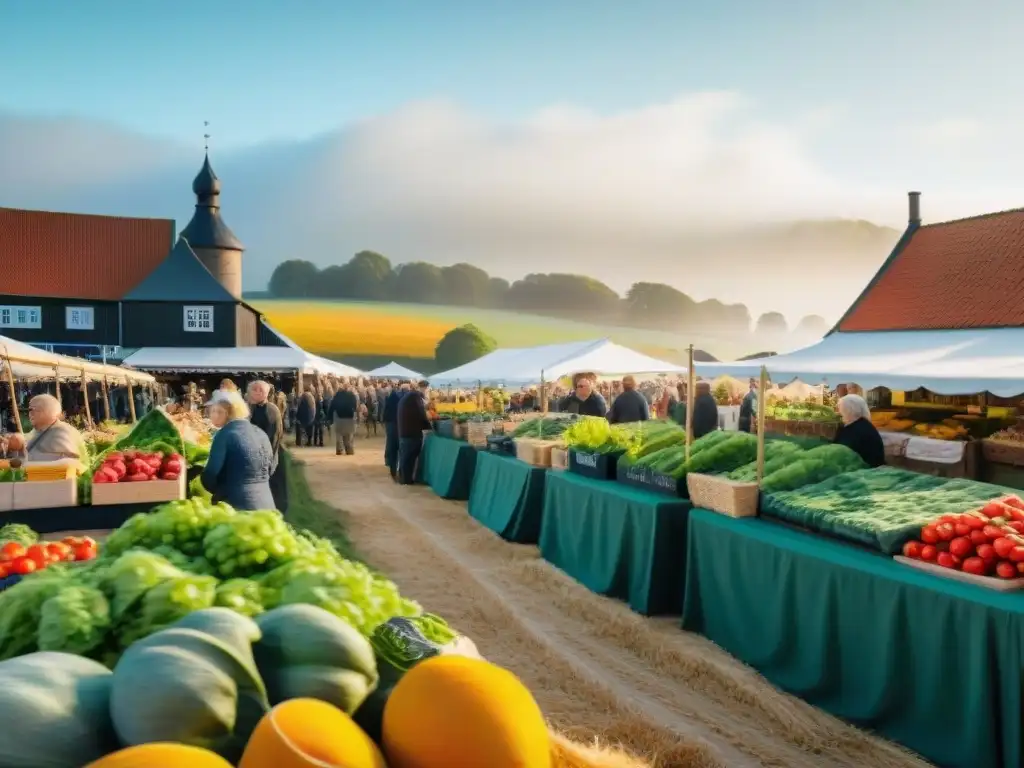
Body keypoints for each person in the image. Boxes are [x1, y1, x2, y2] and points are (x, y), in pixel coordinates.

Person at [201, 389, 276, 511]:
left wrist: (220, 490)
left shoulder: (225, 434)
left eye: (216, 411)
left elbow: (210, 475)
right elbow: (270, 468)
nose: (212, 415)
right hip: (267, 505)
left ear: (228, 413)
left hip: (238, 506)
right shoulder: (260, 432)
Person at [2, 394, 85, 463]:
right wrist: (12, 444)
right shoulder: (40, 429)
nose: (30, 413)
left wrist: (21, 446)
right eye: (29, 410)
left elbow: (62, 462)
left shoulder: (61, 432)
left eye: (32, 410)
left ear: (48, 411)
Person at [248, 381, 287, 512]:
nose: (256, 392)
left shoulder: (271, 410)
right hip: (258, 455)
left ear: (265, 393)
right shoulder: (252, 408)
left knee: (273, 488)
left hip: (270, 455)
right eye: (253, 390)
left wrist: (268, 461)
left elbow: (274, 437)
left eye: (259, 390)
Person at [833, 394, 885, 468]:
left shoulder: (861, 429)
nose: (839, 412)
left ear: (850, 410)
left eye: (841, 409)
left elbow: (844, 452)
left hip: (864, 472)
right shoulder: (850, 426)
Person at [397, 380, 432, 484]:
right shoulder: (415, 397)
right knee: (409, 457)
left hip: (405, 432)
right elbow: (421, 414)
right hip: (411, 433)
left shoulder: (409, 397)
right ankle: (406, 479)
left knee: (405, 456)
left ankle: (404, 478)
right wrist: (429, 426)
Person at [382, 382, 408, 480]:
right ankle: (396, 469)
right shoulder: (402, 398)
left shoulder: (392, 396)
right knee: (397, 446)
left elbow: (386, 410)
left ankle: (392, 467)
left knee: (392, 445)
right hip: (397, 424)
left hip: (391, 423)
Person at [329, 381, 359, 456]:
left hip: (339, 417)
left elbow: (332, 406)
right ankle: (349, 450)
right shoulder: (352, 395)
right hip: (349, 417)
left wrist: (329, 417)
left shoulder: (337, 395)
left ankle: (339, 450)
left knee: (339, 435)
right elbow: (355, 406)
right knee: (348, 436)